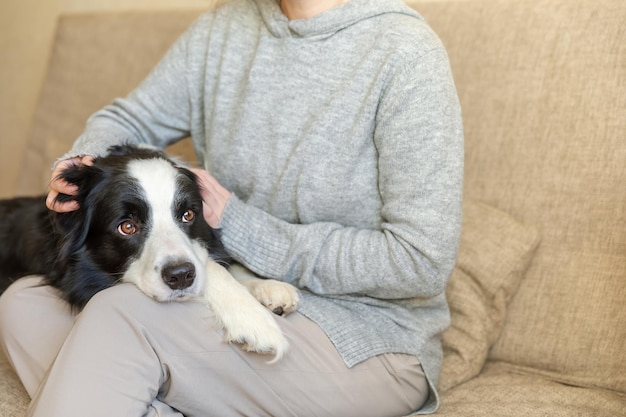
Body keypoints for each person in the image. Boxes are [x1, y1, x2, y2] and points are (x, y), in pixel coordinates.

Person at [0, 0, 463, 415]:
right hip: (237, 292)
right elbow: (126, 119)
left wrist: (237, 223)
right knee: (24, 303)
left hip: (367, 335)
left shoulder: (404, 52)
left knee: (117, 315)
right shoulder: (222, 30)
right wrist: (83, 169)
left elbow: (419, 262)